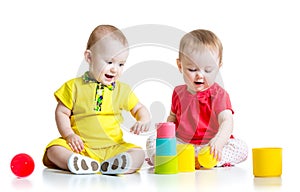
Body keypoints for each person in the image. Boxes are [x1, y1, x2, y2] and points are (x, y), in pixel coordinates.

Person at [43, 25, 151, 175]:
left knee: (139, 154)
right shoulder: (73, 87)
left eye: (121, 64)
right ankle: (78, 162)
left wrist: (143, 120)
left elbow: (139, 108)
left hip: (113, 147)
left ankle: (118, 164)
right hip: (80, 147)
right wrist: (69, 135)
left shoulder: (122, 90)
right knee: (53, 150)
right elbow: (61, 112)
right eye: (109, 62)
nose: (115, 69)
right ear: (89, 57)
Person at [146, 29, 248, 168]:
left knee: (241, 148)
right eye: (193, 70)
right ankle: (166, 159)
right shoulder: (178, 92)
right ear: (180, 66)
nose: (200, 75)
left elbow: (227, 121)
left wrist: (218, 141)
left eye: (208, 70)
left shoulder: (219, 94)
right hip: (184, 144)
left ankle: (207, 160)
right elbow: (172, 118)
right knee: (152, 140)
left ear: (218, 67)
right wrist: (166, 136)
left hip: (210, 145)